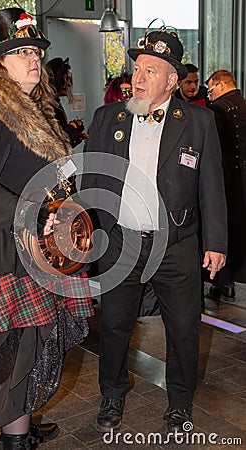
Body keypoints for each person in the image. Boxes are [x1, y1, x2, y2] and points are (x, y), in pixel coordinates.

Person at [0, 8, 94, 450]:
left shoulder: (41, 109)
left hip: (40, 245)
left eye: (34, 50)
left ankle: (22, 422)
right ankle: (15, 439)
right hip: (3, 247)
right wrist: (29, 214)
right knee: (13, 350)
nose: (33, 58)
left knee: (35, 343)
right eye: (21, 52)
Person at [81, 23, 227, 434]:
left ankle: (179, 404)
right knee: (113, 325)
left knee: (184, 329)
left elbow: (212, 185)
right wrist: (89, 231)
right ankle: (111, 392)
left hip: (178, 245)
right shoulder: (108, 116)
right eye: (138, 69)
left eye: (150, 70)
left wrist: (215, 241)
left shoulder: (198, 122)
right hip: (120, 242)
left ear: (172, 80)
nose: (138, 78)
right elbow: (91, 179)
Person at [206, 70, 246, 300]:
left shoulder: (217, 111)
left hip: (226, 179)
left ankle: (224, 281)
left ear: (221, 85)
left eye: (211, 90)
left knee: (225, 228)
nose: (210, 95)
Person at [45, 57, 87, 147]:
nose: (69, 84)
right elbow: (53, 144)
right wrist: (73, 128)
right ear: (55, 79)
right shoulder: (45, 107)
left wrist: (75, 136)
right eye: (66, 79)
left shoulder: (56, 104)